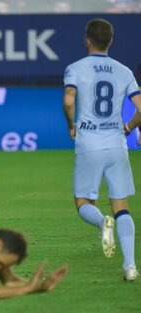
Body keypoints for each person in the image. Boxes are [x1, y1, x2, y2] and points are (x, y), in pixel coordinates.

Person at [63, 18, 141, 281]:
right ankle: (130, 266)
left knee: (83, 202)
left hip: (89, 144)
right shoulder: (124, 71)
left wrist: (71, 125)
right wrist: (129, 126)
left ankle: (100, 222)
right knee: (122, 206)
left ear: (87, 39)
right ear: (111, 41)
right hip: (117, 144)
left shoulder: (75, 68)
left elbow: (69, 99)